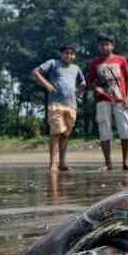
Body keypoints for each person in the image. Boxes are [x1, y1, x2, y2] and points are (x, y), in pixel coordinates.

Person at [31, 44, 86, 173]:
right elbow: (35, 72)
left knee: (65, 135)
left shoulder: (76, 68)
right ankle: (53, 164)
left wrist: (80, 90)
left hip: (71, 105)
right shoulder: (53, 63)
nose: (69, 56)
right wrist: (47, 85)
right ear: (61, 54)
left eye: (72, 54)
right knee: (55, 134)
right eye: (66, 53)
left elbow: (83, 82)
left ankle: (62, 163)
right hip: (56, 104)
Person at [86, 35, 128, 172]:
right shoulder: (95, 63)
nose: (104, 47)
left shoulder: (121, 60)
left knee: (125, 129)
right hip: (102, 100)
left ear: (112, 46)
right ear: (98, 47)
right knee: (104, 130)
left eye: (107, 44)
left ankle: (126, 161)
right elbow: (90, 81)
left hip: (121, 99)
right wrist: (97, 88)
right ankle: (108, 163)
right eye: (102, 45)